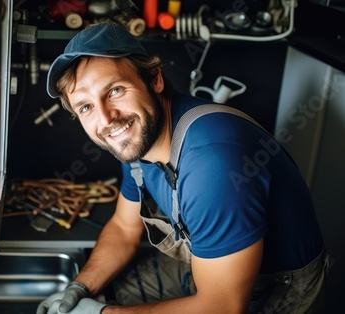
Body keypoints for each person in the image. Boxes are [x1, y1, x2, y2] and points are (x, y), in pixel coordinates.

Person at [37, 22, 331, 314]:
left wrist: (102, 313)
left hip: (275, 289)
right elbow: (125, 229)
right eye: (86, 106)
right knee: (105, 294)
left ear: (154, 79)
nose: (106, 118)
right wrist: (80, 288)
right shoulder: (137, 138)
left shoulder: (213, 162)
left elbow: (223, 307)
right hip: (205, 266)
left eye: (114, 90)